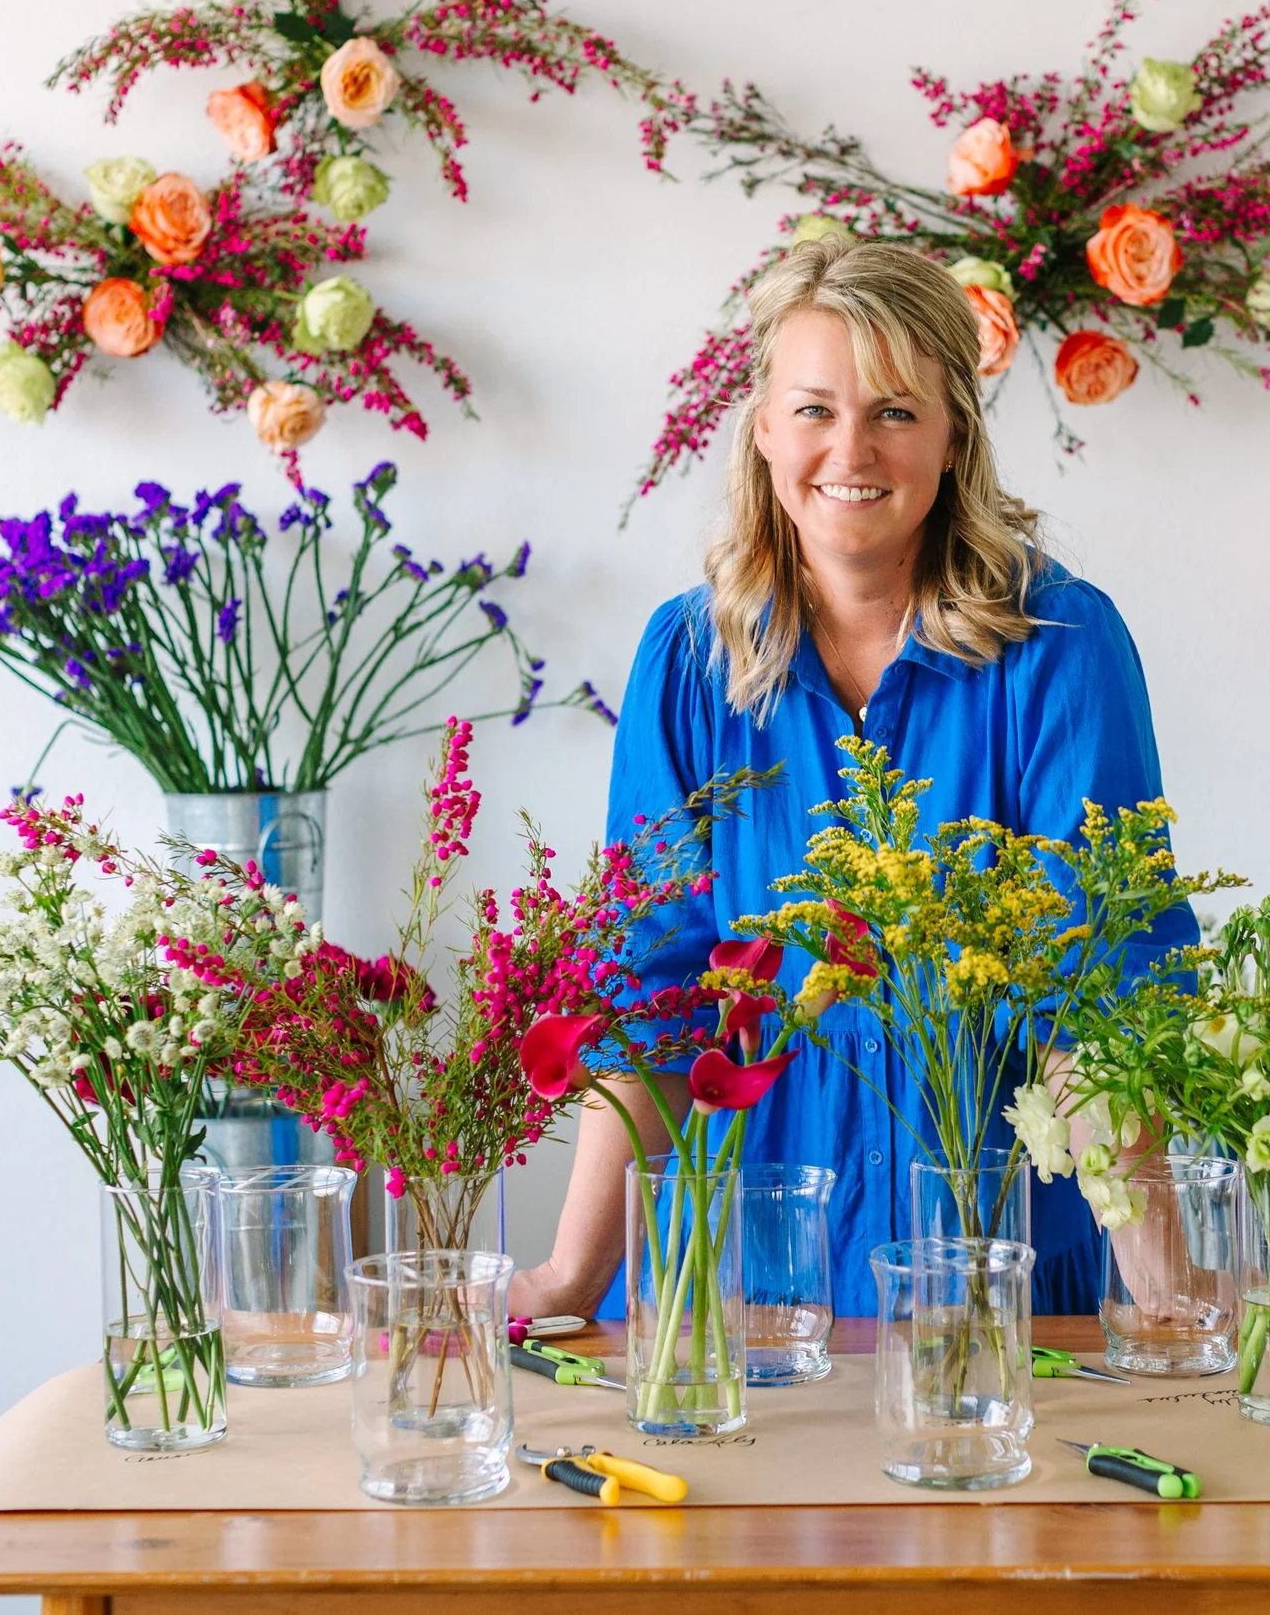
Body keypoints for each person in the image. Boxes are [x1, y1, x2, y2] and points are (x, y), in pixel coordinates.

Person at [509, 237, 1195, 1320]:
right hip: (745, 1290)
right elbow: (650, 987)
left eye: (895, 411)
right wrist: (570, 1275)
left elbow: (1098, 990)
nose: (851, 449)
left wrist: (1169, 1290)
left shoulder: (1063, 647)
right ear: (764, 428)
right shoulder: (687, 665)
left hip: (1003, 1275)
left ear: (954, 433)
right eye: (816, 408)